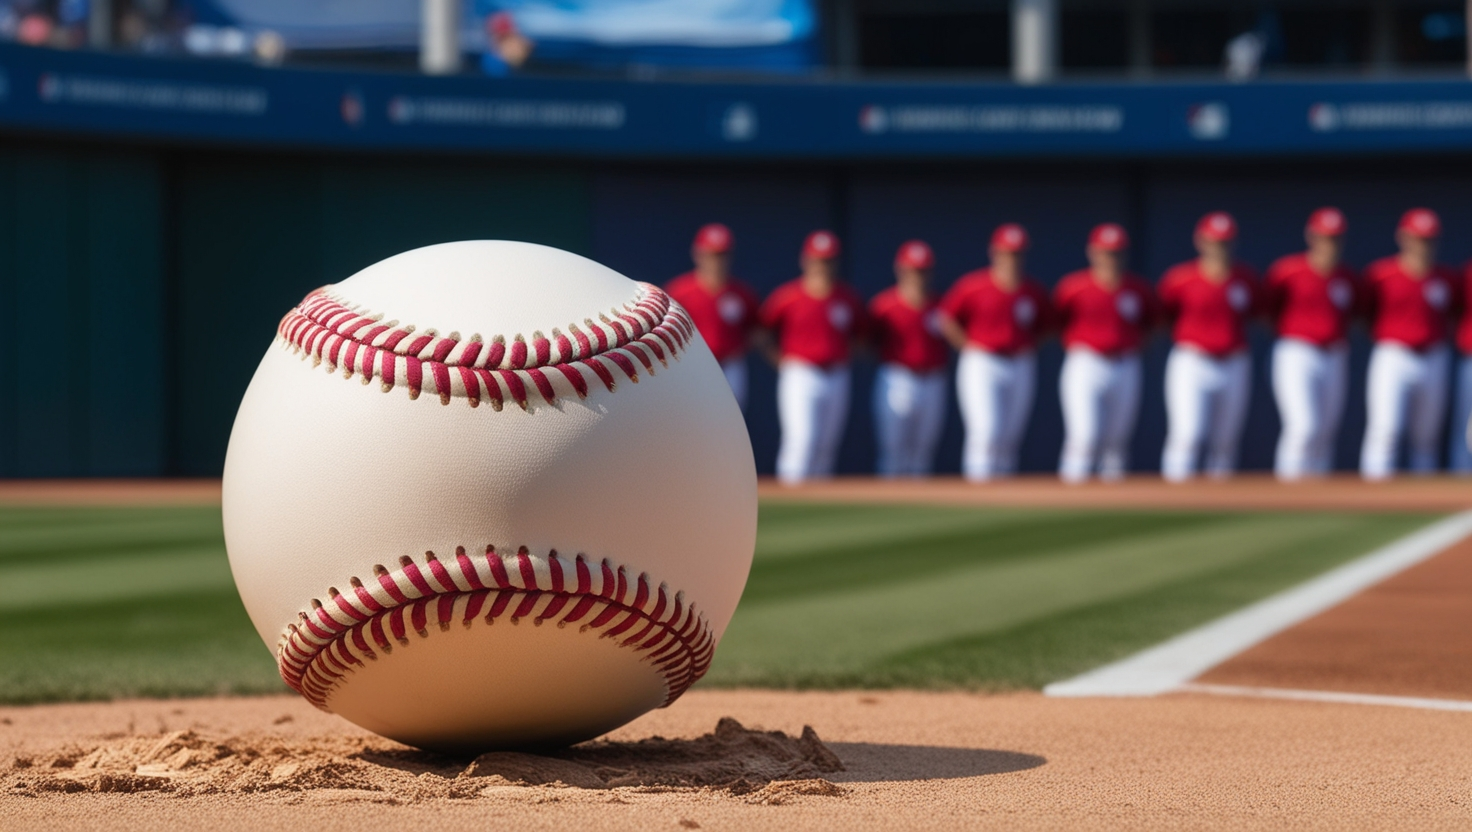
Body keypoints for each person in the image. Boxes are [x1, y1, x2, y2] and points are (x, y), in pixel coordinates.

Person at [938, 223, 1052, 482]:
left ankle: (1003, 498)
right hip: (983, 360)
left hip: (1020, 361)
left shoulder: (1031, 291)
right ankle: (978, 492)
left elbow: (1046, 327)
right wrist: (967, 345)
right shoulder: (973, 286)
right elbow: (946, 318)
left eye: (1017, 253)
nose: (1012, 259)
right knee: (985, 432)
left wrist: (1026, 346)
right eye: (1006, 252)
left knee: (1010, 437)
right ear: (994, 253)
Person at [1158, 211, 1260, 481]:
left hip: (1234, 361)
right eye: (1214, 241)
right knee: (1188, 434)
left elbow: (1260, 315)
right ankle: (1175, 498)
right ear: (1201, 242)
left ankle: (1219, 504)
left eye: (1224, 242)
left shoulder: (1245, 280)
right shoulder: (1180, 279)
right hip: (1193, 361)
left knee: (1225, 442)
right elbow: (1164, 316)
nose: (1219, 248)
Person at [1360, 208, 1459, 480]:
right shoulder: (1381, 275)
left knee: (1426, 437)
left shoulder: (1445, 279)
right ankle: (1373, 495)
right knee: (1386, 429)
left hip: (1433, 356)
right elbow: (1364, 313)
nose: (1423, 245)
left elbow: (1456, 315)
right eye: (1417, 238)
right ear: (1403, 238)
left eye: (1428, 239)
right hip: (1394, 355)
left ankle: (1421, 500)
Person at [760, 231, 867, 484]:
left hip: (836, 374)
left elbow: (862, 336)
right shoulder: (788, 296)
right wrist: (781, 361)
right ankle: (790, 501)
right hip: (800, 373)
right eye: (818, 260)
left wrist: (841, 354)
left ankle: (821, 507)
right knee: (801, 439)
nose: (823, 266)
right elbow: (763, 332)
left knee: (827, 446)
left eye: (828, 260)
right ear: (806, 261)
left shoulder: (846, 298)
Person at [1053, 223, 1155, 483]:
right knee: (1084, 436)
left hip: (1124, 363)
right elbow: (1056, 322)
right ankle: (1072, 497)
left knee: (1117, 441)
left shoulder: (1137, 289)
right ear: (1093, 252)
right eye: (1106, 252)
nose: (1111, 258)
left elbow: (1153, 324)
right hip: (1086, 362)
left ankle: (1115, 509)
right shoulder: (1073, 287)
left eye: (1117, 252)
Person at [1263, 207, 1359, 481]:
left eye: (1336, 238)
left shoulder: (1347, 278)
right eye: (1325, 237)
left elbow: (1359, 315)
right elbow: (1269, 311)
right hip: (1297, 352)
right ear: (1311, 237)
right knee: (1303, 427)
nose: (1330, 244)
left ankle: (1318, 498)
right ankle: (1290, 492)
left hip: (1334, 354)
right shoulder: (1287, 271)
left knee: (1325, 434)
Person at [868, 240, 949, 477]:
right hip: (897, 378)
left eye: (923, 270)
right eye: (913, 270)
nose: (918, 276)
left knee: (923, 453)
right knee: (893, 451)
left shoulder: (940, 306)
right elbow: (866, 341)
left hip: (933, 379)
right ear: (901, 270)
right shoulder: (884, 305)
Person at [665, 223, 760, 410]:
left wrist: (738, 347)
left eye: (722, 255)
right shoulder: (680, 291)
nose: (717, 261)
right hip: (693, 364)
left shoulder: (741, 293)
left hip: (731, 365)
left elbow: (757, 329)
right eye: (711, 254)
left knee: (731, 422)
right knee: (694, 418)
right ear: (698, 254)